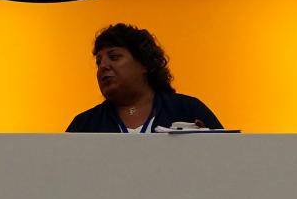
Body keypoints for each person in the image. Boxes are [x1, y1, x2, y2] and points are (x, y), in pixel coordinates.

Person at [66, 23, 222, 133]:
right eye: (98, 61)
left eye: (114, 57)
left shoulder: (188, 110)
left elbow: (232, 162)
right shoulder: (84, 125)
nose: (103, 66)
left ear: (144, 64)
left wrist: (205, 146)